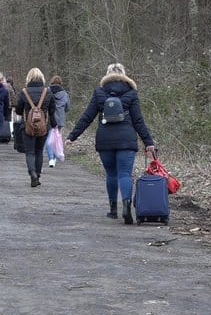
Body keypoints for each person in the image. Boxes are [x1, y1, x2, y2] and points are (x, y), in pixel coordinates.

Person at [65, 63, 155, 224]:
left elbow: (87, 116)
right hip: (127, 140)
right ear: (124, 75)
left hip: (105, 139)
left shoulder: (99, 93)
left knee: (111, 174)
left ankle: (113, 209)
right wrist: (148, 142)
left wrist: (72, 136)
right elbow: (138, 121)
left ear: (107, 75)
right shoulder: (131, 93)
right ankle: (126, 206)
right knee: (125, 174)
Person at [15, 67, 56, 187]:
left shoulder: (24, 92)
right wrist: (53, 125)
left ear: (29, 78)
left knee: (30, 152)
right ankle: (37, 175)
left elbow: (18, 110)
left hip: (27, 127)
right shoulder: (47, 92)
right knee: (39, 152)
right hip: (43, 127)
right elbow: (52, 110)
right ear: (42, 78)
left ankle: (32, 172)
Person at [45, 75, 70, 168]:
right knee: (57, 139)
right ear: (61, 83)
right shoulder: (65, 94)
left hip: (49, 118)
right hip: (60, 118)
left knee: (49, 138)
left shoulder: (47, 91)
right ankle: (54, 157)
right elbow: (67, 107)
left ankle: (51, 158)